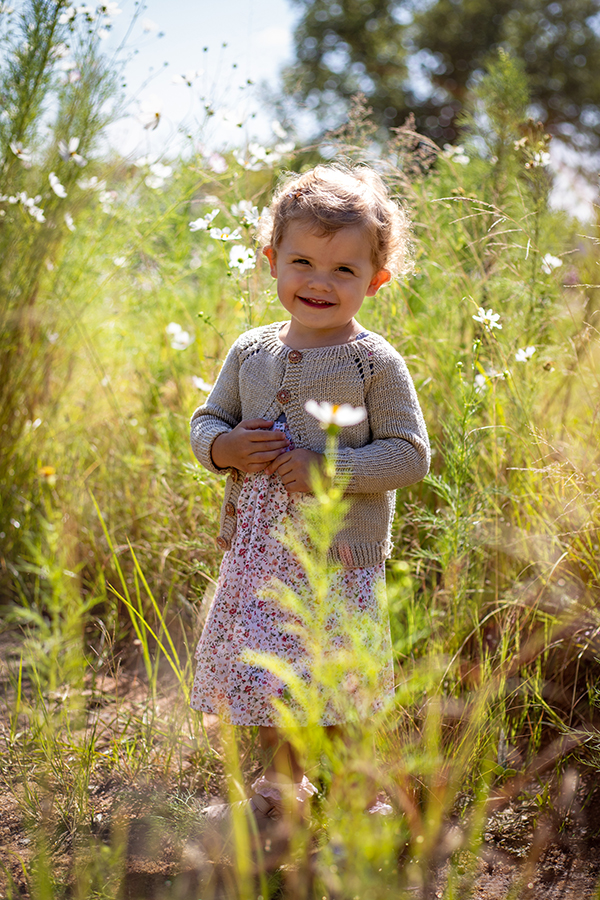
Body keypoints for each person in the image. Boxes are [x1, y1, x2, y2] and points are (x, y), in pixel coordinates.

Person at [189, 164, 430, 825]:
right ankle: (284, 788)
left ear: (375, 280)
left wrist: (330, 468)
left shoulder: (373, 362)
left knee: (339, 679)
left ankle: (361, 796)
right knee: (272, 677)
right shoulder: (251, 351)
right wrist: (225, 448)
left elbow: (411, 454)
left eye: (344, 270)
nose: (319, 282)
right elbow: (206, 420)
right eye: (302, 261)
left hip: (338, 558)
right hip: (261, 557)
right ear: (271, 261)